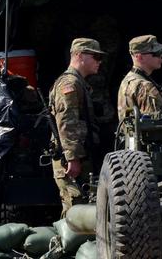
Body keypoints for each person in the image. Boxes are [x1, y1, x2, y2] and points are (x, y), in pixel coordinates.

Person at [49, 37, 105, 215]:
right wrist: (72, 157)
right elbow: (67, 121)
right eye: (95, 56)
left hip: (81, 156)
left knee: (83, 209)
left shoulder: (79, 83)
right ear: (80, 55)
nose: (99, 61)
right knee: (74, 211)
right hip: (71, 160)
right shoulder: (70, 84)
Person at [117, 35, 162, 122]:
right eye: (156, 53)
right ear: (139, 57)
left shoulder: (129, 79)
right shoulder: (144, 86)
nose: (161, 55)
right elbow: (159, 123)